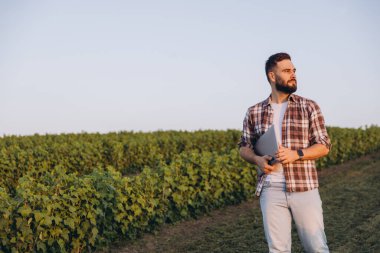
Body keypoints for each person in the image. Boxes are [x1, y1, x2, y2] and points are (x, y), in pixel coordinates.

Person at [239, 52, 331, 253]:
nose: (293, 74)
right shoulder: (254, 111)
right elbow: (244, 147)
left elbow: (324, 145)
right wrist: (256, 159)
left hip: (304, 187)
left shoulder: (309, 106)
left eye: (294, 70)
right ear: (272, 76)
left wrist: (296, 154)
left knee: (316, 247)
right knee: (278, 250)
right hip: (270, 188)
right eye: (287, 71)